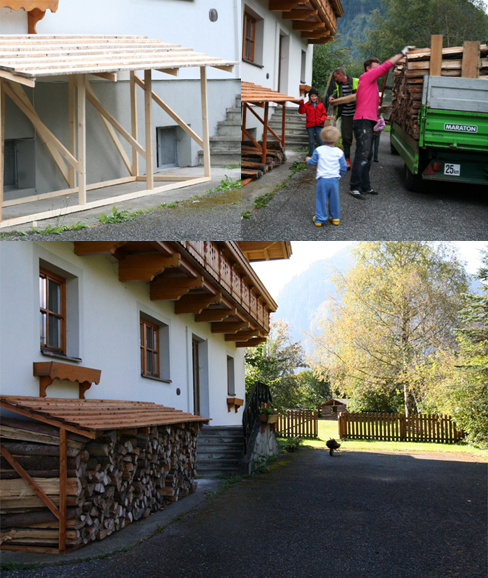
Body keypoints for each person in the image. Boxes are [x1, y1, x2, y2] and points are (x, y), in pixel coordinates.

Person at [349, 46, 415, 200]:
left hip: (368, 119)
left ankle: (365, 186)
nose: (378, 70)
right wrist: (401, 54)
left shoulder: (372, 85)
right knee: (362, 154)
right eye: (375, 68)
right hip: (362, 120)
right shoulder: (365, 78)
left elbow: (364, 101)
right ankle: (355, 187)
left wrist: (378, 109)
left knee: (369, 155)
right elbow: (386, 67)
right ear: (368, 69)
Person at [305, 125, 347, 227]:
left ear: (323, 138)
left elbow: (312, 162)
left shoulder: (319, 150)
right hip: (334, 180)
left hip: (323, 179)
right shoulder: (339, 152)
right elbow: (344, 166)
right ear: (336, 139)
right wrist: (338, 175)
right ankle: (335, 217)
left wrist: (307, 160)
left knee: (321, 199)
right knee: (334, 199)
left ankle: (320, 219)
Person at [325, 67, 359, 170]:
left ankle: (360, 160)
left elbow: (364, 95)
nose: (335, 79)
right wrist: (332, 97)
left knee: (360, 136)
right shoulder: (338, 84)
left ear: (341, 75)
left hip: (358, 114)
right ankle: (347, 160)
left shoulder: (356, 81)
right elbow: (336, 93)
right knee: (346, 138)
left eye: (336, 77)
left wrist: (352, 100)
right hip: (345, 115)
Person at [298, 88, 327, 156]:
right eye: (312, 96)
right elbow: (301, 111)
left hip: (319, 125)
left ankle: (322, 154)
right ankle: (312, 154)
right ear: (310, 97)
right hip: (310, 126)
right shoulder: (306, 105)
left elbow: (324, 114)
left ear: (317, 97)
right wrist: (301, 104)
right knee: (311, 141)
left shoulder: (321, 104)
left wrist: (322, 120)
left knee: (321, 140)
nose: (313, 98)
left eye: (315, 96)